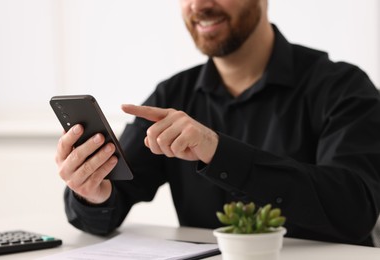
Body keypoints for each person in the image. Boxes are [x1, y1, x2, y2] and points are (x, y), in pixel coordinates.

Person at [55, 0, 380, 246]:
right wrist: (92, 192)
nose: (199, 5)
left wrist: (219, 151)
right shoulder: (172, 94)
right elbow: (109, 207)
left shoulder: (343, 87)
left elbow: (355, 210)